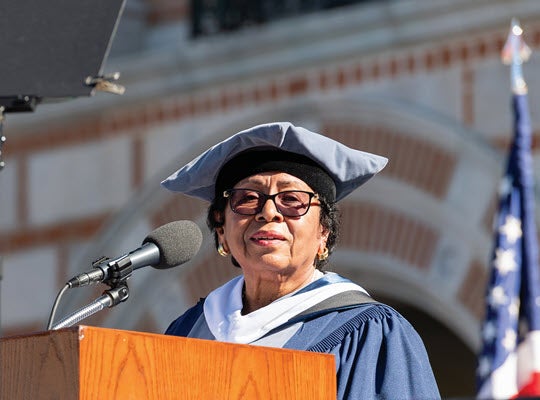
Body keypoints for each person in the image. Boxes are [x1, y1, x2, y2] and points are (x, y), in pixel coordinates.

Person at [161, 122, 440, 399]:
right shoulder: (188, 330)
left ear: (323, 232)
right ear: (221, 229)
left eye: (292, 199)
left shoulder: (370, 334)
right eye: (247, 198)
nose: (268, 212)